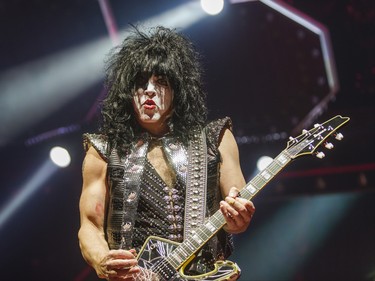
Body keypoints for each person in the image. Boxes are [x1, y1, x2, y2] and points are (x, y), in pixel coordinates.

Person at [78, 25, 255, 281]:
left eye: (161, 82)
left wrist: (239, 219)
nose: (149, 90)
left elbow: (235, 212)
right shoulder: (103, 150)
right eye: (140, 82)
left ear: (178, 90)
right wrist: (102, 261)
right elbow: (90, 226)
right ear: (128, 91)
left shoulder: (215, 138)